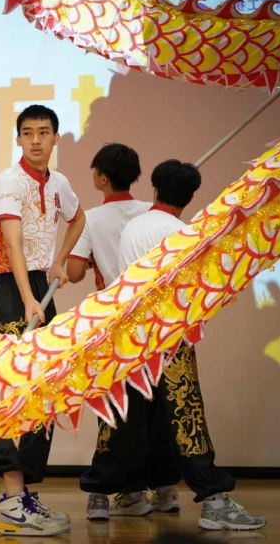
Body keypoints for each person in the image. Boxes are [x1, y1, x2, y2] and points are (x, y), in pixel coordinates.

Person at [113, 160, 265, 532]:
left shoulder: (133, 228)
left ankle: (135, 494)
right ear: (190, 197)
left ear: (154, 189)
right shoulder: (183, 233)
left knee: (145, 421)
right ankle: (214, 502)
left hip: (132, 339)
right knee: (187, 418)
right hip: (168, 339)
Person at [0, 105, 85, 537]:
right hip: (14, 293)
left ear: (55, 138)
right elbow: (13, 244)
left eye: (44, 132)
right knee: (13, 390)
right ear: (18, 139)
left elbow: (78, 218)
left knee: (45, 391)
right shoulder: (9, 181)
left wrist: (60, 261)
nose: (36, 140)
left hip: (41, 290)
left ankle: (24, 494)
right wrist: (28, 299)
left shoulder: (59, 182)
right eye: (27, 133)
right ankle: (11, 498)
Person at [66, 144, 178, 520]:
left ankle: (103, 493)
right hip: (158, 325)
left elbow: (74, 273)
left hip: (114, 326)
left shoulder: (92, 219)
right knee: (158, 405)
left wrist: (83, 259)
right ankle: (164, 490)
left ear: (101, 178)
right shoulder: (153, 212)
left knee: (115, 406)